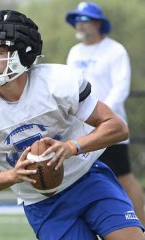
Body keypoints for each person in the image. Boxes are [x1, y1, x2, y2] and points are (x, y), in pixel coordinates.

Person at [0, 9, 145, 240]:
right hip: (41, 201)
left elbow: (116, 127)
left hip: (87, 179)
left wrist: (71, 147)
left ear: (23, 53)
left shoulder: (58, 83)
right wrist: (14, 175)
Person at [65, 2, 145, 225]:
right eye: (78, 20)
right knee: (82, 176)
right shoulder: (75, 52)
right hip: (81, 128)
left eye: (84, 20)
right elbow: (71, 86)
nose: (79, 25)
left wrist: (102, 118)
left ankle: (142, 224)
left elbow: (121, 87)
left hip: (109, 126)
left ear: (98, 24)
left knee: (123, 177)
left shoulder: (115, 50)